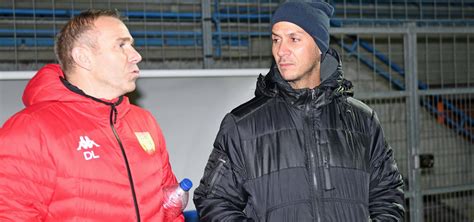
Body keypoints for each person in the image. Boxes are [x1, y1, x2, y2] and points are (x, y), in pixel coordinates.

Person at [193, 1, 405, 221]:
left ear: (319, 47)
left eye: (294, 39)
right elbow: (214, 201)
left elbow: (388, 195)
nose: (281, 51)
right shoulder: (242, 125)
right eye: (276, 39)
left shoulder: (363, 121)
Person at [0, 9, 183, 221]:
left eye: (131, 45)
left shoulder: (143, 122)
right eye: (121, 45)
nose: (136, 55)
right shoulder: (29, 129)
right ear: (83, 57)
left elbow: (169, 205)